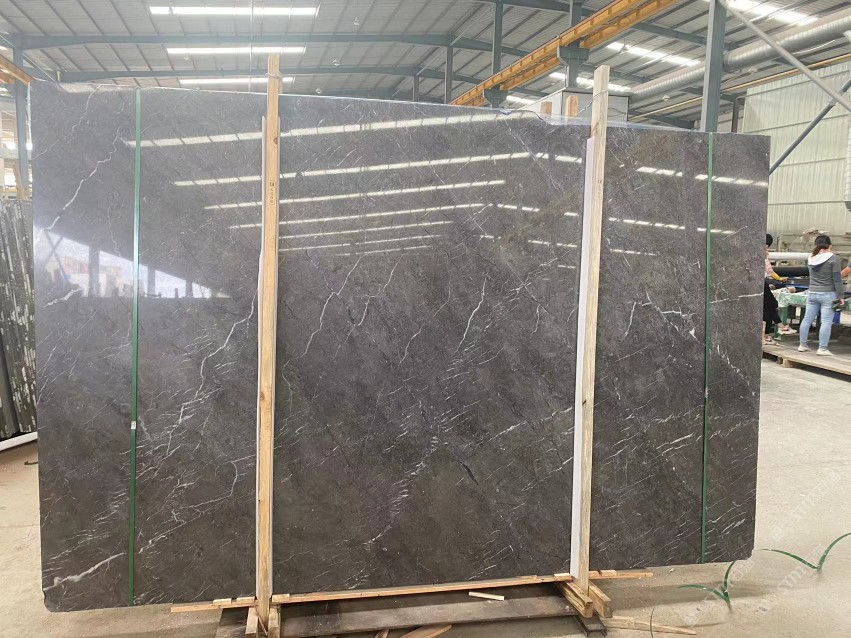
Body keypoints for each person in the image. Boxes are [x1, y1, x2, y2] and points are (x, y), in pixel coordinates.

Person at [798, 235, 845, 356]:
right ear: (830, 245)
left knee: (807, 319)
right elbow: (837, 279)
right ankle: (822, 349)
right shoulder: (833, 258)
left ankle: (802, 345)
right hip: (828, 294)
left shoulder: (811, 258)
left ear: (816, 245)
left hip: (812, 293)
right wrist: (841, 296)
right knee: (826, 322)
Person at [763, 234, 793, 343]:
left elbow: (770, 272)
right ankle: (780, 326)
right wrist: (780, 279)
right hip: (761, 283)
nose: (767, 248)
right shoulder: (762, 255)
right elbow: (770, 272)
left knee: (767, 309)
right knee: (772, 304)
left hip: (759, 283)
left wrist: (779, 278)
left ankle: (767, 334)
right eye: (767, 246)